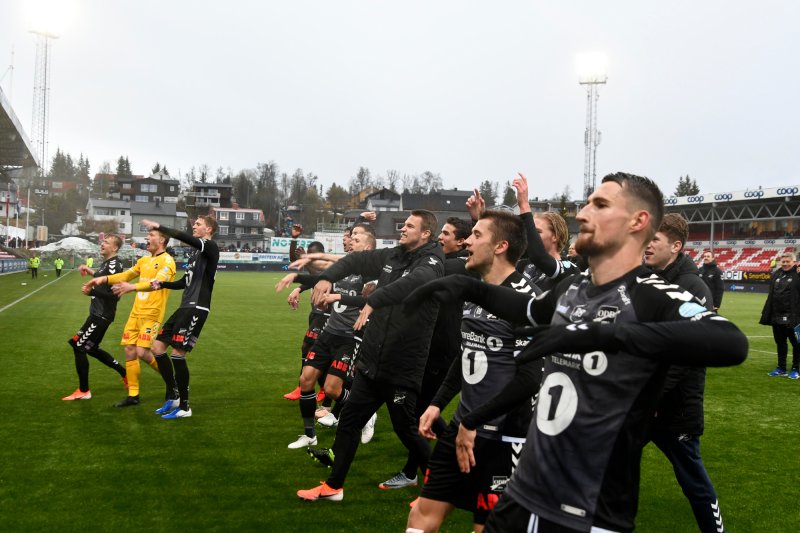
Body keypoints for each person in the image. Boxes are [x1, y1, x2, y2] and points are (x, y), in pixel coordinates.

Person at [406, 172, 748, 532]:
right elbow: (528, 310)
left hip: (589, 510)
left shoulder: (653, 294)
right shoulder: (574, 286)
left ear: (638, 221)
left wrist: (602, 335)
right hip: (525, 494)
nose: (583, 213)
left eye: (600, 205)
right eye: (587, 203)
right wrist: (465, 287)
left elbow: (730, 341)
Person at [297, 210, 445, 502]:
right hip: (373, 361)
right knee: (350, 422)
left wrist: (375, 299)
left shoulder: (432, 262)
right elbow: (356, 260)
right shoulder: (395, 255)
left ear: (426, 233)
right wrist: (326, 277)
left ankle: (438, 491)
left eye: (410, 226)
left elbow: (412, 284)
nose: (403, 229)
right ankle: (333, 487)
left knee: (407, 430)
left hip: (403, 364)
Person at [407, 210, 537, 533]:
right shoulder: (475, 290)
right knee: (420, 517)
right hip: (461, 429)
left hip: (505, 438)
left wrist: (474, 421)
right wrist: (437, 403)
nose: (467, 241)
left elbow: (530, 379)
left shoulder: (526, 300)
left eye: (477, 236)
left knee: (488, 528)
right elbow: (467, 353)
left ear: (500, 246)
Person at [643, 213, 726, 533]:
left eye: (655, 240)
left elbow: (686, 355)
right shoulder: (650, 278)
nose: (647, 246)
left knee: (693, 481)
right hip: (646, 403)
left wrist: (650, 393)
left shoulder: (692, 286)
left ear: (676, 246)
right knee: (610, 462)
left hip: (676, 407)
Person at [279, 231, 376, 447]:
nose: (351, 242)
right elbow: (319, 277)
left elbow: (370, 299)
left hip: (351, 337)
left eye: (357, 240)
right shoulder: (345, 266)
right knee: (306, 379)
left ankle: (367, 414)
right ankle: (309, 435)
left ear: (368, 248)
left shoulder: (370, 271)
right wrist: (298, 282)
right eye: (352, 240)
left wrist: (337, 297)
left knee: (332, 389)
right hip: (330, 332)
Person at [83, 228, 176, 408]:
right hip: (136, 312)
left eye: (151, 235)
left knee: (143, 352)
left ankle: (172, 382)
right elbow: (126, 275)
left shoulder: (167, 261)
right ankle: (133, 395)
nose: (147, 238)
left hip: (152, 313)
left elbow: (157, 283)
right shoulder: (144, 260)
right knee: (130, 351)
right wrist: (102, 280)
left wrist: (132, 288)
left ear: (162, 239)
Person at [144, 216, 220, 418]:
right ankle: (173, 396)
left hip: (197, 308)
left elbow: (188, 239)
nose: (194, 226)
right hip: (185, 307)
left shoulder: (210, 247)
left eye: (198, 224)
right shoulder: (195, 253)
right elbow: (184, 282)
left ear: (209, 228)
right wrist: (163, 284)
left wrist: (161, 227)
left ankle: (185, 407)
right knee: (157, 347)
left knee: (178, 355)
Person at [63, 235, 127, 400]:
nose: (102, 244)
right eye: (102, 241)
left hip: (101, 315)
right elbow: (102, 278)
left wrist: (91, 292)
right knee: (90, 348)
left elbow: (114, 295)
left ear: (115, 248)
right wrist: (89, 269)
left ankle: (84, 391)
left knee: (78, 345)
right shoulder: (108, 264)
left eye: (106, 242)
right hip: (97, 314)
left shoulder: (114, 265)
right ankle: (124, 373)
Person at [760, 252, 800, 379]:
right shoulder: (777, 274)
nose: (785, 264)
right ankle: (781, 368)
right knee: (780, 343)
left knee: (796, 344)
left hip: (794, 316)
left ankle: (795, 369)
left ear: (794, 262)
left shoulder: (798, 274)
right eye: (783, 262)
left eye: (788, 262)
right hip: (776, 316)